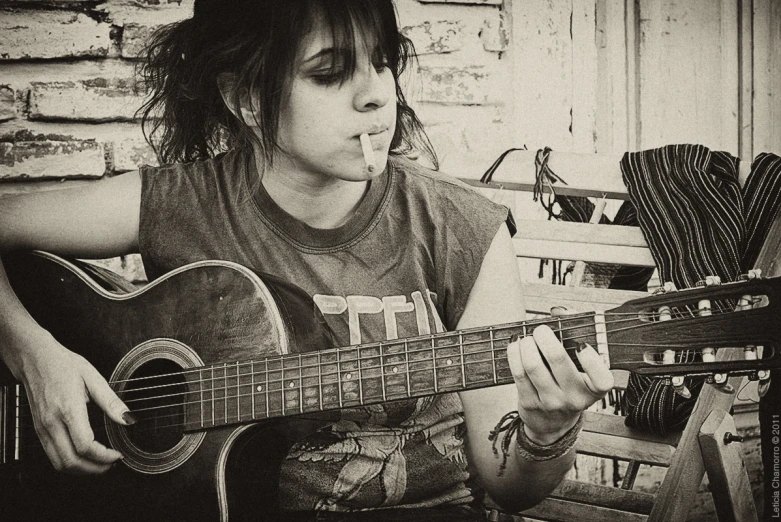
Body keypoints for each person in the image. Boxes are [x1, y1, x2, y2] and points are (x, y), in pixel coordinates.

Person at [0, 1, 614, 519]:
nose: (377, 95)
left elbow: (511, 488)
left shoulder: (459, 227)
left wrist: (545, 432)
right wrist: (33, 353)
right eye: (329, 73)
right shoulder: (179, 203)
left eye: (382, 63)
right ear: (244, 98)